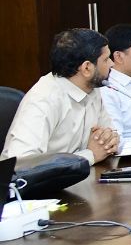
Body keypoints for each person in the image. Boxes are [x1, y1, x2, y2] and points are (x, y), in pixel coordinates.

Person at [1, 28, 119, 164]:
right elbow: (21, 163)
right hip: (36, 183)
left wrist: (111, 140)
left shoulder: (92, 87)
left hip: (79, 178)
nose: (112, 64)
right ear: (86, 68)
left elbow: (108, 136)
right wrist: (89, 155)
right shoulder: (44, 98)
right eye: (106, 59)